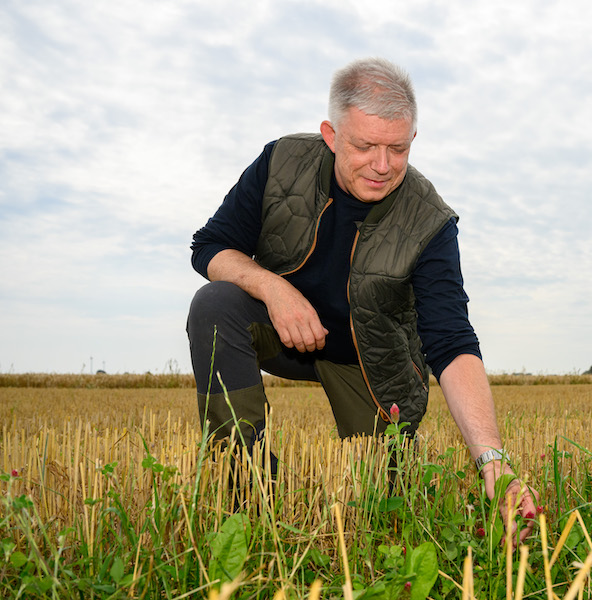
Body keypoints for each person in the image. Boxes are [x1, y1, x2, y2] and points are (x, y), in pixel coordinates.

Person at [187, 57, 537, 542]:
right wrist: (273, 287)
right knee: (214, 304)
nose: (382, 165)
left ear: (413, 138)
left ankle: (393, 484)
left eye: (397, 148)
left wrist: (493, 462)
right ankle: (248, 496)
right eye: (365, 145)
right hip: (286, 331)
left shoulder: (430, 221)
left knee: (390, 517)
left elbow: (452, 341)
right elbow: (209, 247)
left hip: (372, 366)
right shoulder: (280, 163)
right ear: (331, 135)